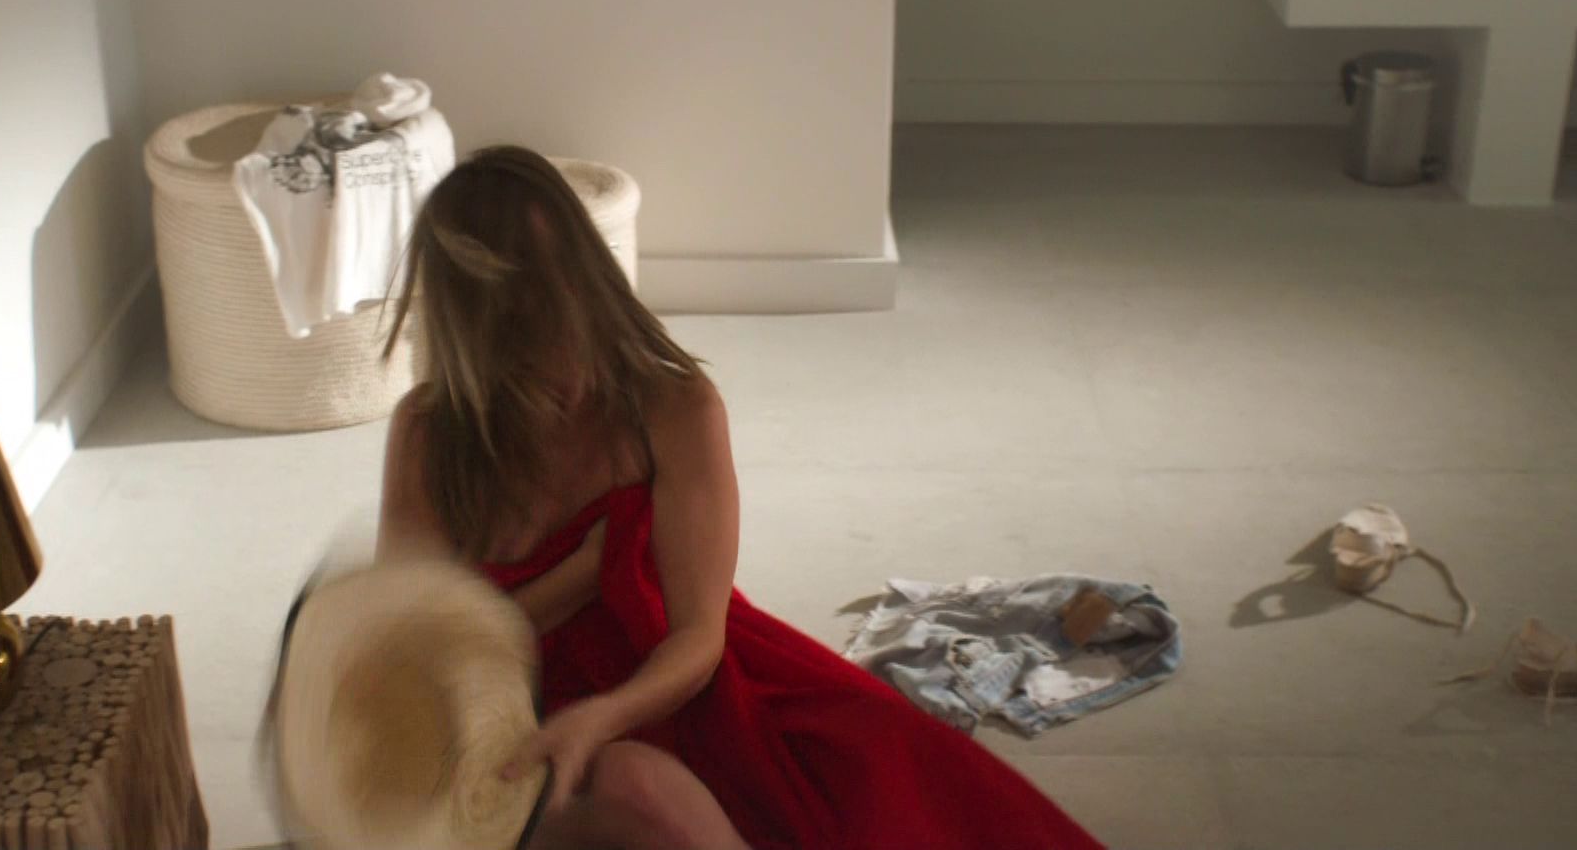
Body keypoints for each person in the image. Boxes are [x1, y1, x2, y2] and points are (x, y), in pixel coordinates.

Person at [375, 146, 1100, 850]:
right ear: (477, 330)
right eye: (525, 320)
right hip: (503, 711)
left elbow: (699, 639)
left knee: (892, 783)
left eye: (563, 294)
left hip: (673, 686)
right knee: (616, 790)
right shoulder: (429, 434)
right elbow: (416, 652)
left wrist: (600, 717)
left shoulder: (675, 407)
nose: (560, 340)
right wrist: (581, 577)